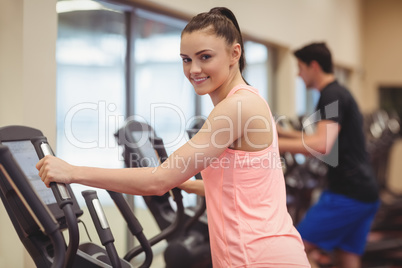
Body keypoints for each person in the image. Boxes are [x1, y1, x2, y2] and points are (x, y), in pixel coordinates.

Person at [37, 7, 310, 268]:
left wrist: (72, 171)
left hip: (257, 257)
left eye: (205, 57)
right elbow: (249, 187)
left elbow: (159, 180)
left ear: (234, 53)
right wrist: (193, 185)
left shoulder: (236, 107)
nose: (193, 69)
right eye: (186, 59)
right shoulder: (248, 99)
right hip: (263, 251)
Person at [277, 42, 380, 268]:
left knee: (295, 248)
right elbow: (324, 139)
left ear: (313, 66)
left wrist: (273, 143)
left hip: (347, 194)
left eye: (300, 67)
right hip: (364, 193)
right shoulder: (338, 92)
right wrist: (284, 132)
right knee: (348, 255)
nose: (298, 74)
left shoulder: (330, 94)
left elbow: (321, 145)